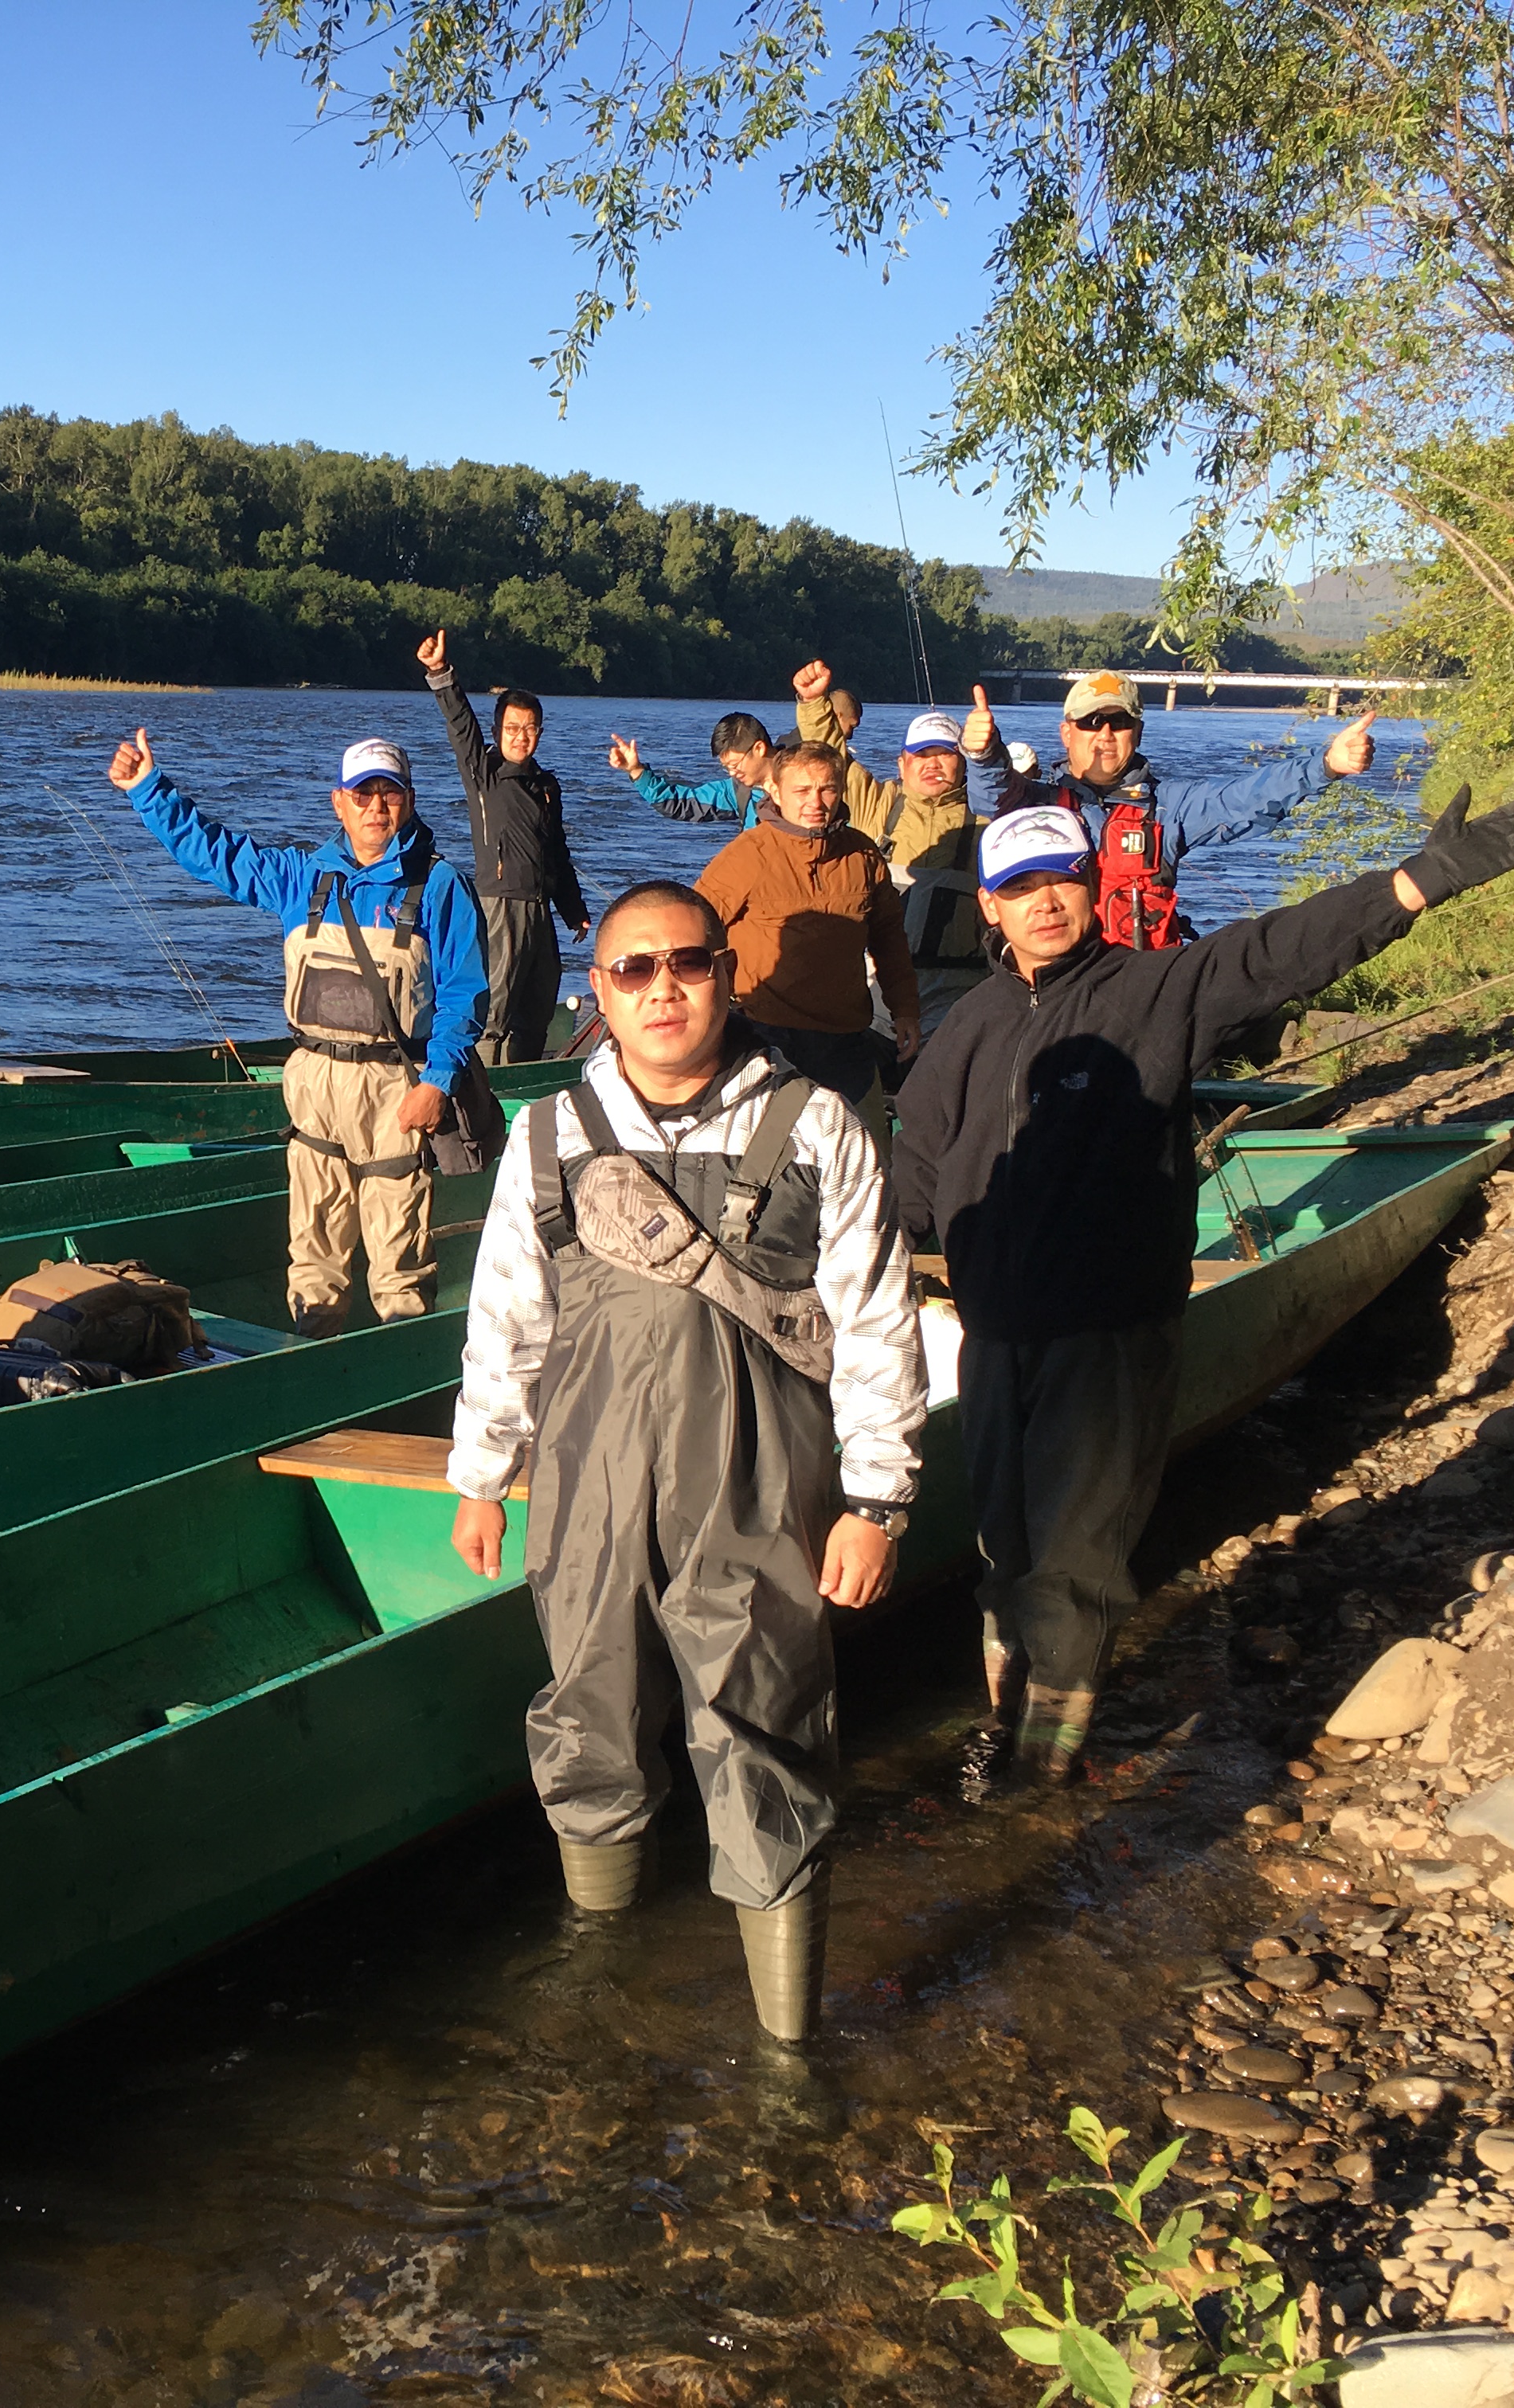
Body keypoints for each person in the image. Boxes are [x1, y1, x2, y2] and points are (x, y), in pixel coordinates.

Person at [894, 788, 1514, 1783]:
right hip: (993, 1331)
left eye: (1062, 881)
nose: (1044, 903)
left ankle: (1045, 1768)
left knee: (1076, 1559)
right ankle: (1006, 1719)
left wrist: (1416, 884)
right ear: (990, 905)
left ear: (1094, 887)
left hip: (1108, 1330)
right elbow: (915, 1167)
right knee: (1004, 1549)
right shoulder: (971, 1023)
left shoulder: (1157, 989)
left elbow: (1281, 950)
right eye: (1020, 887)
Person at [448, 878, 925, 2042]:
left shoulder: (817, 1124)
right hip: (586, 1478)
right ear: (599, 995)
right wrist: (482, 1473)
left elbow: (877, 1322)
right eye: (634, 970)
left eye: (689, 963)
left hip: (760, 1477)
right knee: (589, 1711)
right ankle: (601, 1992)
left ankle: (788, 2052)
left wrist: (877, 1500)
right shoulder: (549, 1134)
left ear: (726, 974)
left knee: (762, 1721)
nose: (663, 989)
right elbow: (506, 1317)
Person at [107, 724, 490, 1337]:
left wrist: (437, 1082)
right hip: (313, 1083)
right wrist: (147, 788)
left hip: (395, 1088)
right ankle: (314, 1350)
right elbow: (213, 853)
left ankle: (405, 1355)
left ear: (409, 800)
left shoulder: (442, 886)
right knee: (313, 1247)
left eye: (389, 793)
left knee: (399, 1252)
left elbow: (464, 997)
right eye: (362, 794)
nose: (376, 807)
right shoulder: (301, 877)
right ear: (339, 802)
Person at [966, 670, 1382, 948]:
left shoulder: (1170, 806)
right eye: (1091, 722)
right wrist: (984, 753)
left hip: (1139, 981)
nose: (1105, 734)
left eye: (1119, 722)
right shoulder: (1034, 802)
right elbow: (990, 797)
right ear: (1066, 733)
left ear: (1138, 732)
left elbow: (1245, 798)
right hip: (1060, 982)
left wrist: (1325, 765)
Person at [689, 741, 920, 1107]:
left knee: (863, 1140)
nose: (816, 802)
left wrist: (905, 1010)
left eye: (827, 789)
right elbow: (692, 933)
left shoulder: (863, 854)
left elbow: (889, 939)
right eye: (802, 791)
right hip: (765, 1032)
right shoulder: (747, 854)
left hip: (845, 1037)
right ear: (775, 791)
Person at [418, 630, 588, 1064]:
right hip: (499, 906)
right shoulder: (485, 773)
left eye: (530, 729)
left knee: (538, 1006)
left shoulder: (546, 786)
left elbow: (558, 853)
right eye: (512, 729)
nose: (521, 737)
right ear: (498, 731)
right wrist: (441, 673)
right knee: (495, 1008)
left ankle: (524, 1079)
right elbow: (460, 725)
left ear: (540, 733)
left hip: (540, 909)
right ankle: (477, 1082)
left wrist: (573, 910)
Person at [788, 660, 990, 1022]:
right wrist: (814, 703)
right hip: (878, 980)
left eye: (944, 754)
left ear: (963, 763)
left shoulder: (989, 821)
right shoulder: (877, 802)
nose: (932, 764)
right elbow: (831, 754)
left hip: (960, 987)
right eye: (921, 755)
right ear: (901, 764)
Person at [608, 712, 774, 834]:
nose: (732, 773)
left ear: (759, 748)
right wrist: (636, 771)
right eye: (727, 767)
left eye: (735, 765)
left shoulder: (791, 784)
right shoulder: (738, 791)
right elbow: (681, 803)